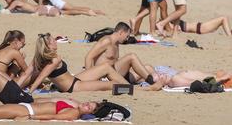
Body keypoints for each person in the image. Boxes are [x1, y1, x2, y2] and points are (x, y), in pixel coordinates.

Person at [27, 33, 164, 93]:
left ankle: (128, 87)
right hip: (74, 87)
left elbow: (30, 74)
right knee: (112, 85)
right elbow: (40, 77)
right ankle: (143, 89)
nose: (56, 41)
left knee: (105, 67)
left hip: (75, 79)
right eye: (53, 40)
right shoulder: (53, 59)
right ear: (48, 45)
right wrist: (30, 92)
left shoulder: (42, 58)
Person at [84, 22, 156, 85]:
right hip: (105, 75)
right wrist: (90, 77)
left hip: (116, 73)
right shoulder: (106, 41)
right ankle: (151, 81)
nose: (127, 39)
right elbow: (89, 57)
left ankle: (157, 82)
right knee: (131, 56)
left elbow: (113, 62)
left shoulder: (116, 43)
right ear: (121, 32)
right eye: (127, 36)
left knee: (148, 68)